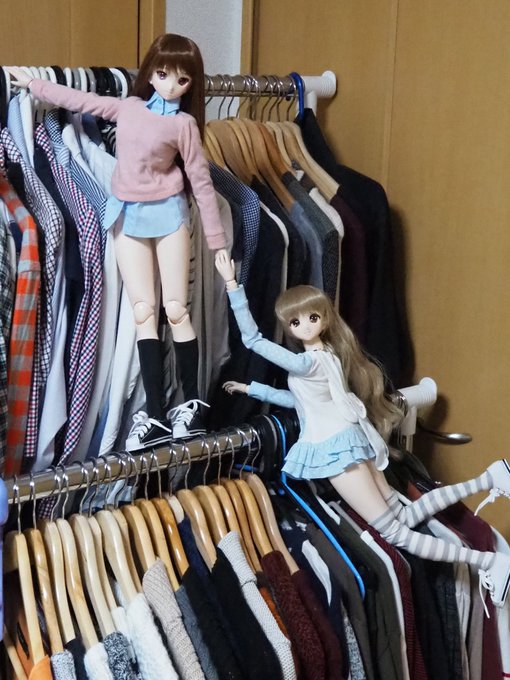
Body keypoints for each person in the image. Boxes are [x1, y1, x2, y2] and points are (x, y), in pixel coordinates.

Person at [215, 250, 510, 611]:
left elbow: (253, 341)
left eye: (311, 318)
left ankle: (489, 562)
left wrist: (232, 285)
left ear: (323, 319)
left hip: (337, 451)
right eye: (295, 322)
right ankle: (490, 478)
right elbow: (302, 403)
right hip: (352, 441)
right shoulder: (326, 356)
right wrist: (254, 390)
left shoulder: (306, 361)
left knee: (396, 533)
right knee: (404, 516)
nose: (304, 326)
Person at [8, 34, 228, 451]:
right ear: (150, 73)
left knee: (176, 309)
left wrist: (217, 242)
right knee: (143, 310)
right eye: (163, 74)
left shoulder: (184, 125)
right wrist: (34, 84)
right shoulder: (128, 108)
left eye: (181, 80)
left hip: (169, 217)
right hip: (126, 216)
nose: (170, 85)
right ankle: (156, 414)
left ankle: (192, 404)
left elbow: (200, 182)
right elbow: (81, 100)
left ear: (191, 84)